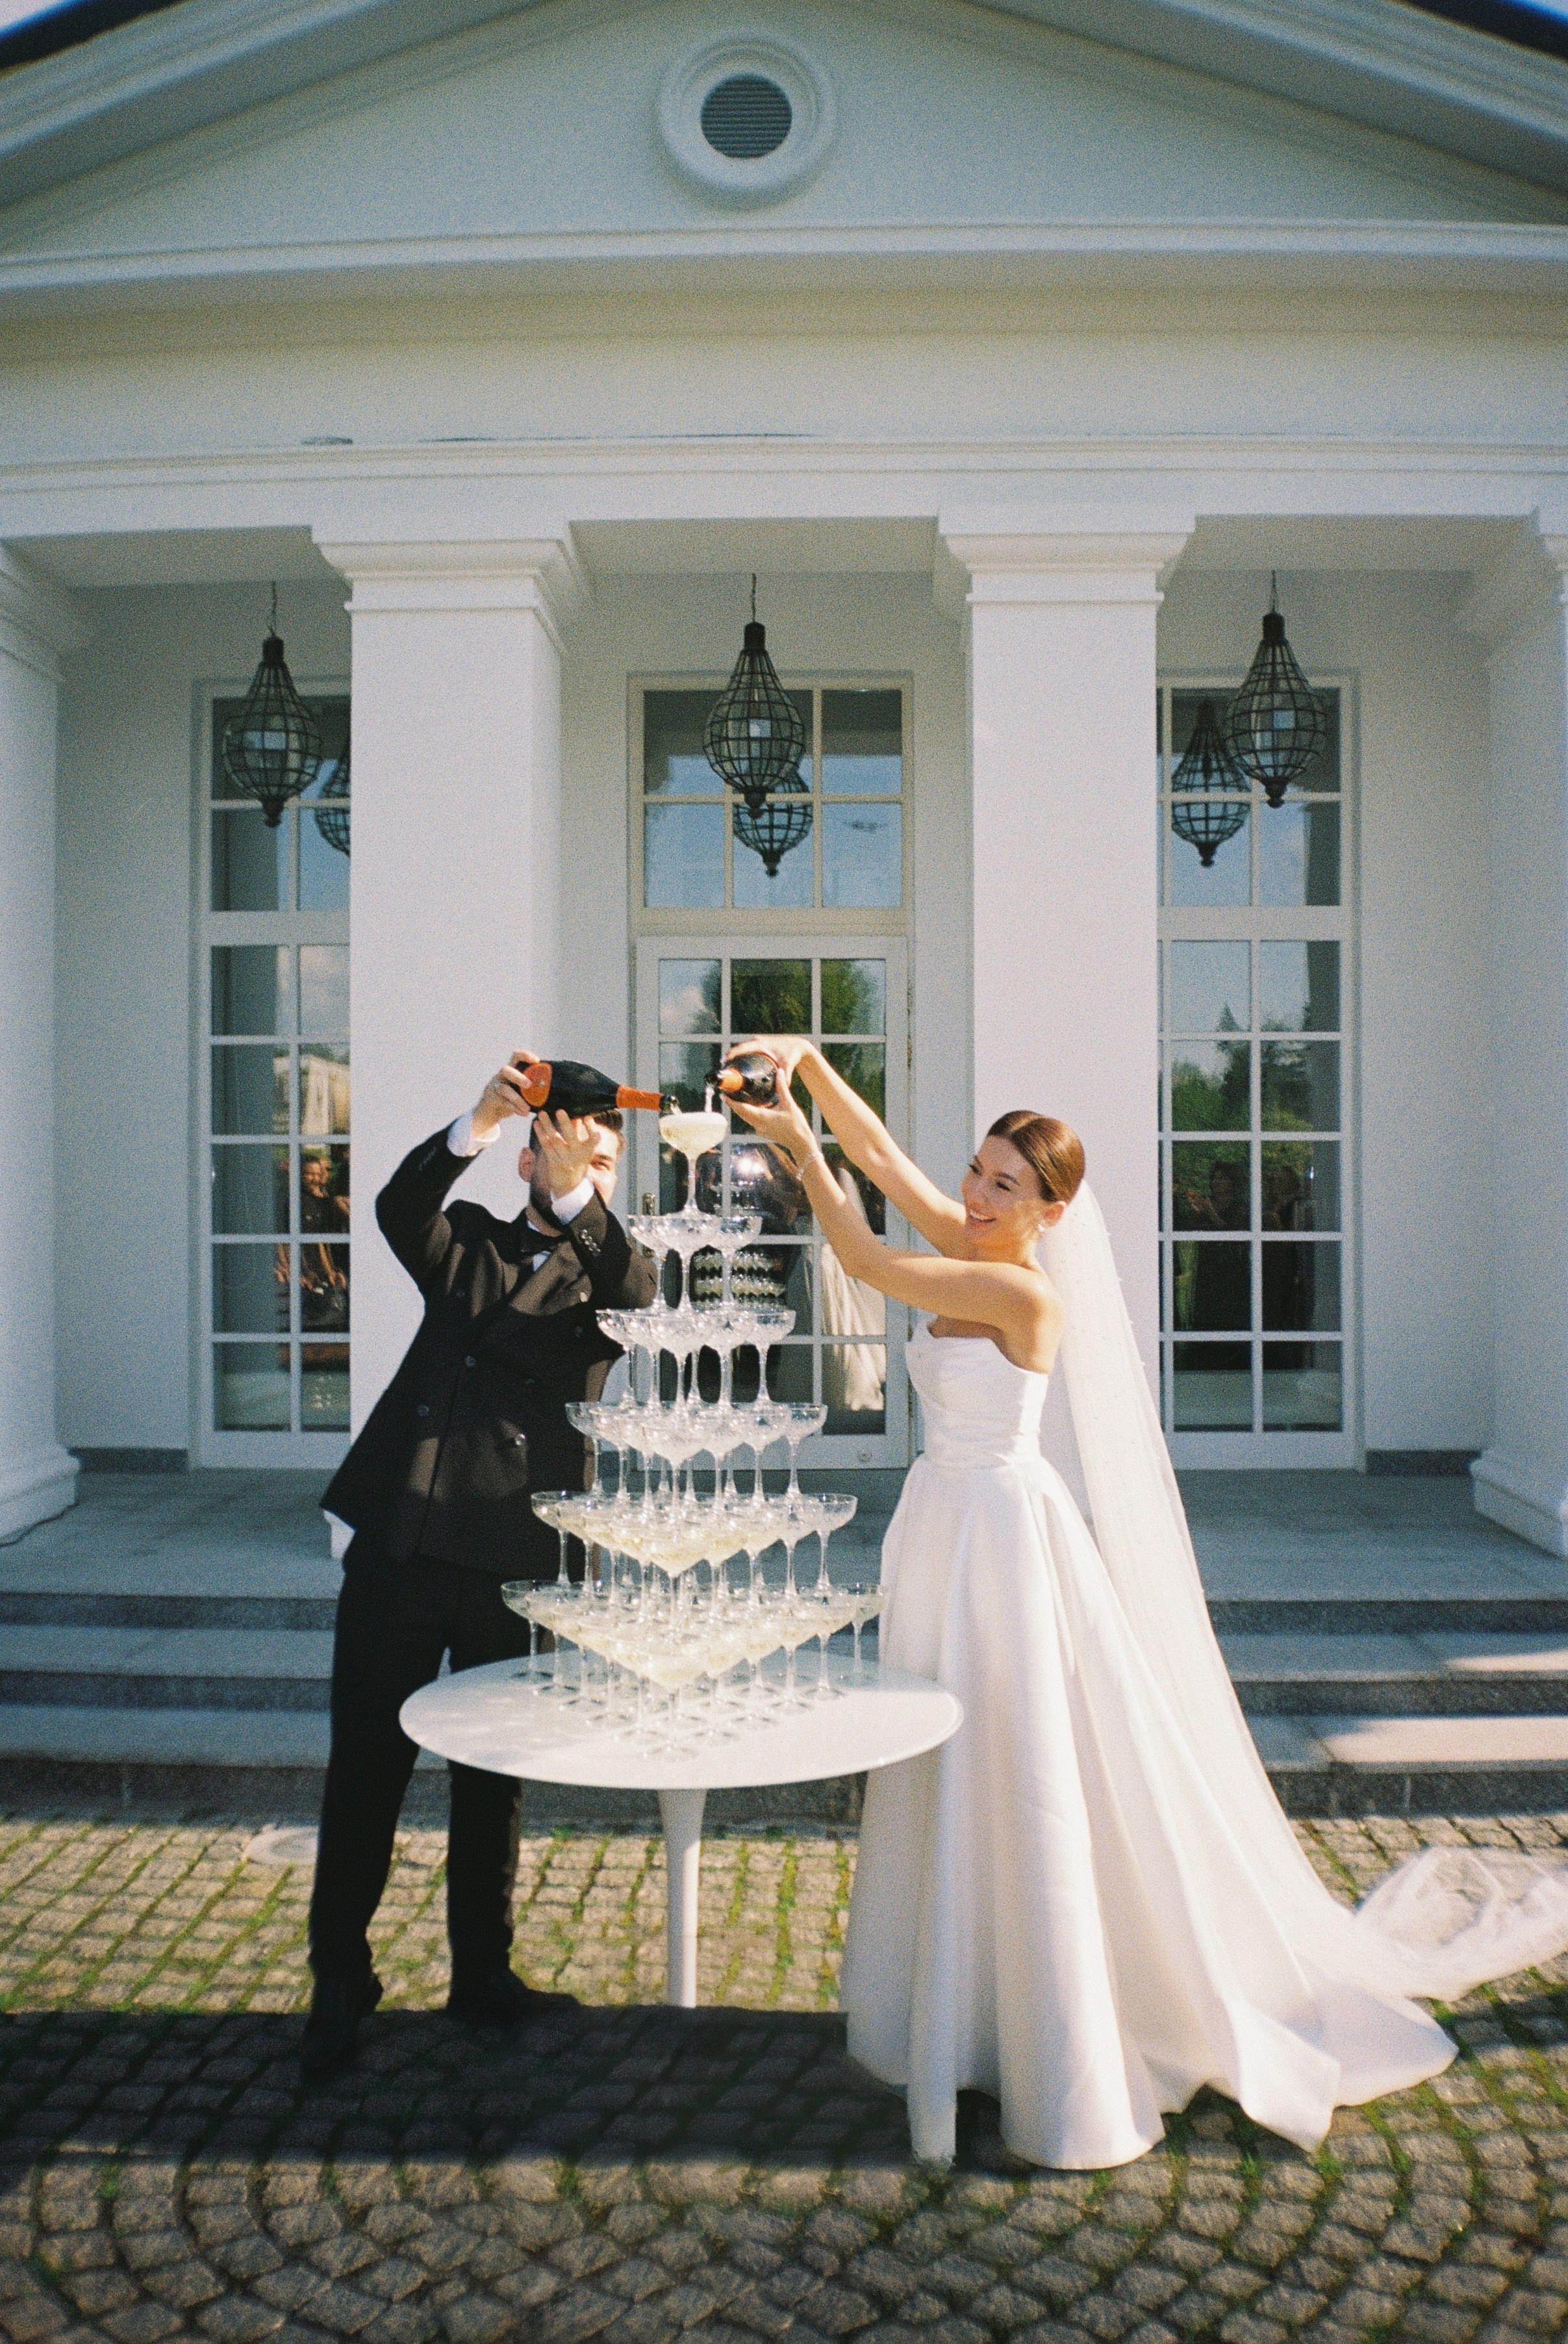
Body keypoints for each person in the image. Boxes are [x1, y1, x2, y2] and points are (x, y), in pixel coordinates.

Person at [729, 1039, 1568, 2169]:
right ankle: (968, 2008)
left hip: (1003, 1542)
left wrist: (791, 1144)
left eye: (1003, 1185)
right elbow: (881, 1162)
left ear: (1051, 1211)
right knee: (952, 1764)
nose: (975, 1194)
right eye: (977, 1172)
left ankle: (1057, 2028)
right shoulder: (974, 1241)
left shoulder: (1015, 1292)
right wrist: (815, 1070)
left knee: (1021, 1769)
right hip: (945, 1527)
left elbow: (865, 1261)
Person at [301, 1051, 657, 2080]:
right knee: (365, 1768)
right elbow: (397, 1206)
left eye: (588, 1138)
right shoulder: (468, 1245)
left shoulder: (612, 1265)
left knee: (492, 1778)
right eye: (554, 1133)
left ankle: (481, 1972)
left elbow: (633, 1298)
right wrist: (480, 1121)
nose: (568, 1147)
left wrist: (577, 1197)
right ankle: (339, 1977)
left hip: (518, 1553)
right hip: (403, 1542)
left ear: (604, 1158)